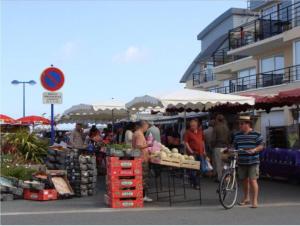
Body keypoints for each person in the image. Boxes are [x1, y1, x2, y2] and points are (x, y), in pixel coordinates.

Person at [233, 115, 264, 208]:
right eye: (239, 124)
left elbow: (261, 145)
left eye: (241, 124)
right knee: (244, 180)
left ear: (248, 124)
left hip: (253, 161)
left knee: (253, 180)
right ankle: (246, 198)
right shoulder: (237, 135)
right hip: (242, 161)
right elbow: (235, 146)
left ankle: (254, 201)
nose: (240, 125)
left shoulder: (257, 134)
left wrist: (254, 150)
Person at [184, 119, 208, 188]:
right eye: (191, 126)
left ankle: (193, 180)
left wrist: (204, 150)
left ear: (197, 125)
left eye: (194, 125)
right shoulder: (187, 132)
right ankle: (196, 183)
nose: (192, 127)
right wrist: (190, 150)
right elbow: (186, 143)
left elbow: (202, 141)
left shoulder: (200, 132)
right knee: (193, 168)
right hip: (192, 153)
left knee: (201, 169)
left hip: (200, 152)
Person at [132, 120, 152, 202]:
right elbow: (139, 146)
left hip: (138, 157)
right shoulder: (139, 134)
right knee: (143, 178)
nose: (147, 128)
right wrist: (148, 145)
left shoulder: (136, 133)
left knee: (139, 177)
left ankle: (139, 195)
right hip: (141, 159)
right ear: (143, 126)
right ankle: (142, 196)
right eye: (146, 126)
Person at [211, 114, 231, 181]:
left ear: (217, 120)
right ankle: (227, 177)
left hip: (218, 147)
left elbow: (213, 139)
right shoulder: (226, 128)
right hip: (225, 147)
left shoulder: (216, 128)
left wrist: (212, 145)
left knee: (219, 164)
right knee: (225, 163)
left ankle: (220, 178)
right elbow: (229, 138)